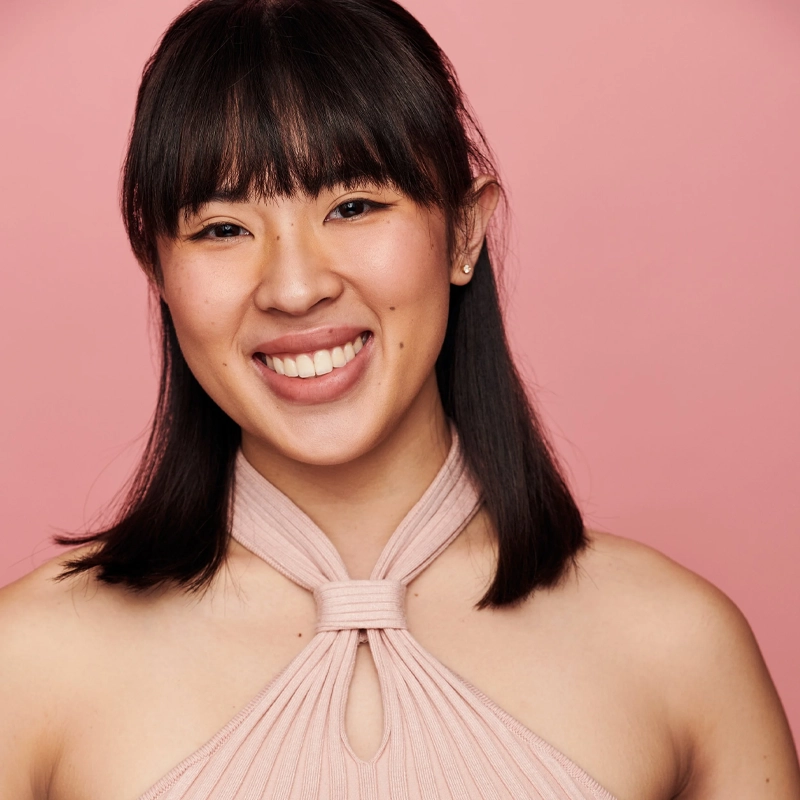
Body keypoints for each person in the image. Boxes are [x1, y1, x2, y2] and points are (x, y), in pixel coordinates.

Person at [1, 0, 798, 797]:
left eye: (353, 207)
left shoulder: (680, 649)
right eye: (221, 228)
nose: (294, 287)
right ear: (157, 270)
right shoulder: (28, 665)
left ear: (463, 232)